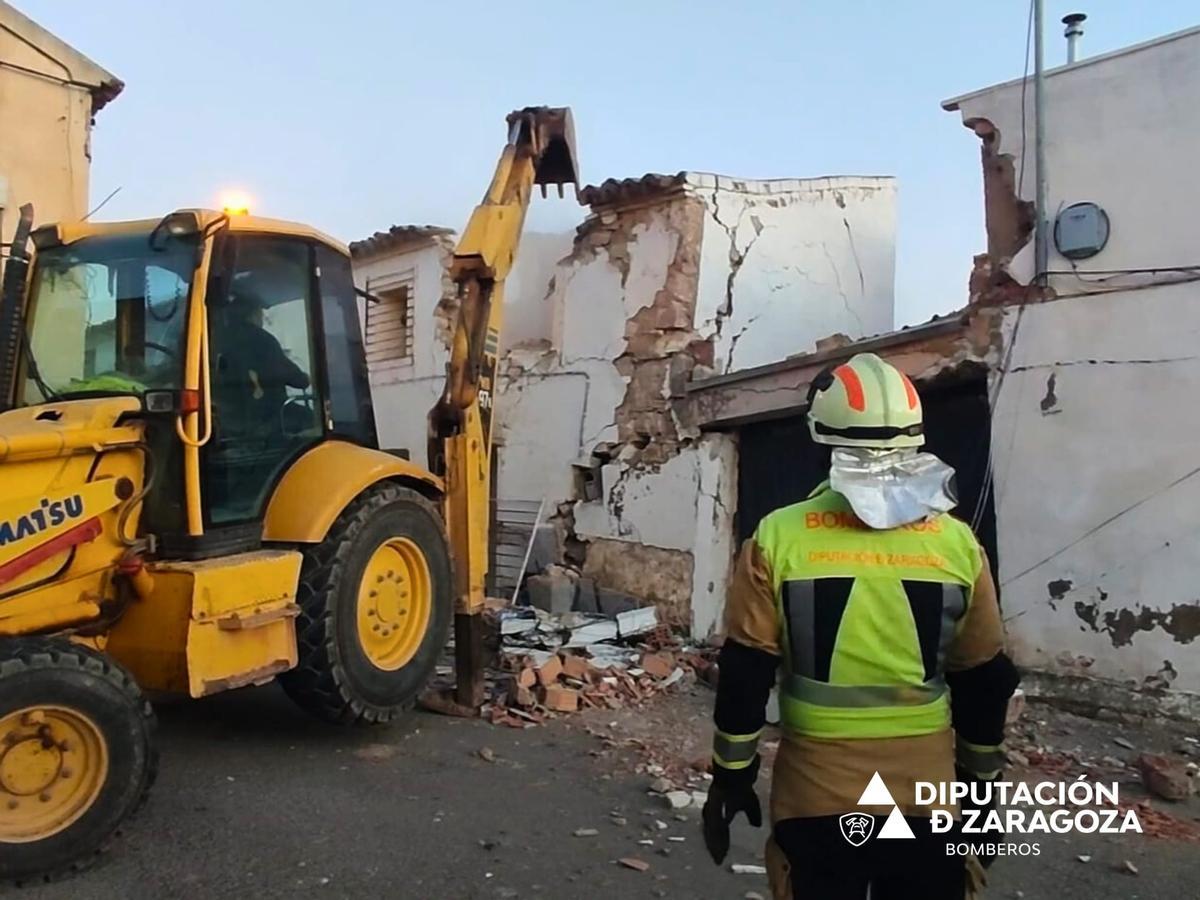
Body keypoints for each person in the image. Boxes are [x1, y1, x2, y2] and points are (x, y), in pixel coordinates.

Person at [702, 352, 1020, 900]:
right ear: (916, 436)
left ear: (821, 437)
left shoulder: (778, 538)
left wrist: (731, 772)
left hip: (816, 791)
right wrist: (982, 787)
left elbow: (746, 669)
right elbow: (984, 678)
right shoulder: (956, 543)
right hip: (927, 794)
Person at [215, 290, 310, 435]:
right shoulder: (262, 340)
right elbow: (292, 376)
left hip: (227, 419)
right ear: (252, 315)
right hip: (265, 416)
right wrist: (303, 378)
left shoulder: (217, 338)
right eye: (260, 314)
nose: (262, 318)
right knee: (312, 421)